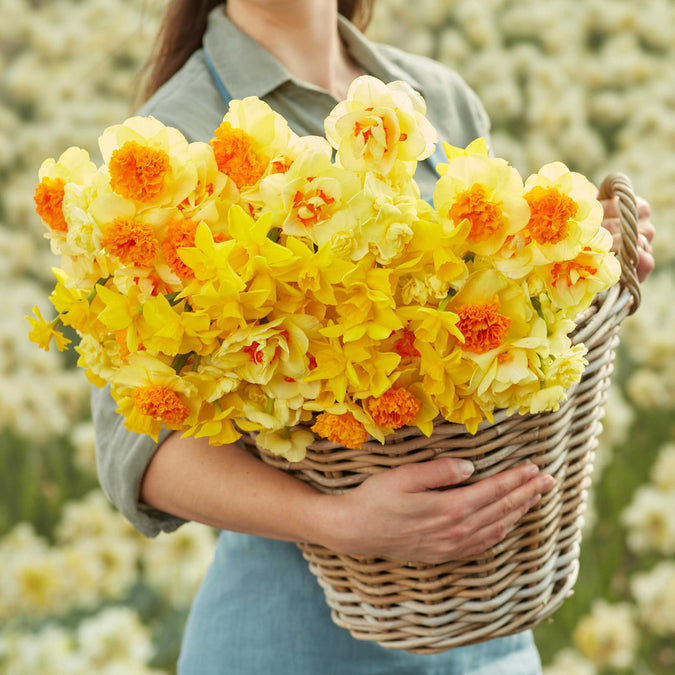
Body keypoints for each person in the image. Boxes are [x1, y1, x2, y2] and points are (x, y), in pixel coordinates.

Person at [91, 1, 656, 673]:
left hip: (491, 630)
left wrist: (574, 252)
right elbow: (138, 449)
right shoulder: (167, 138)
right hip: (296, 639)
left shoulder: (436, 94)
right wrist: (334, 522)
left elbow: (498, 320)